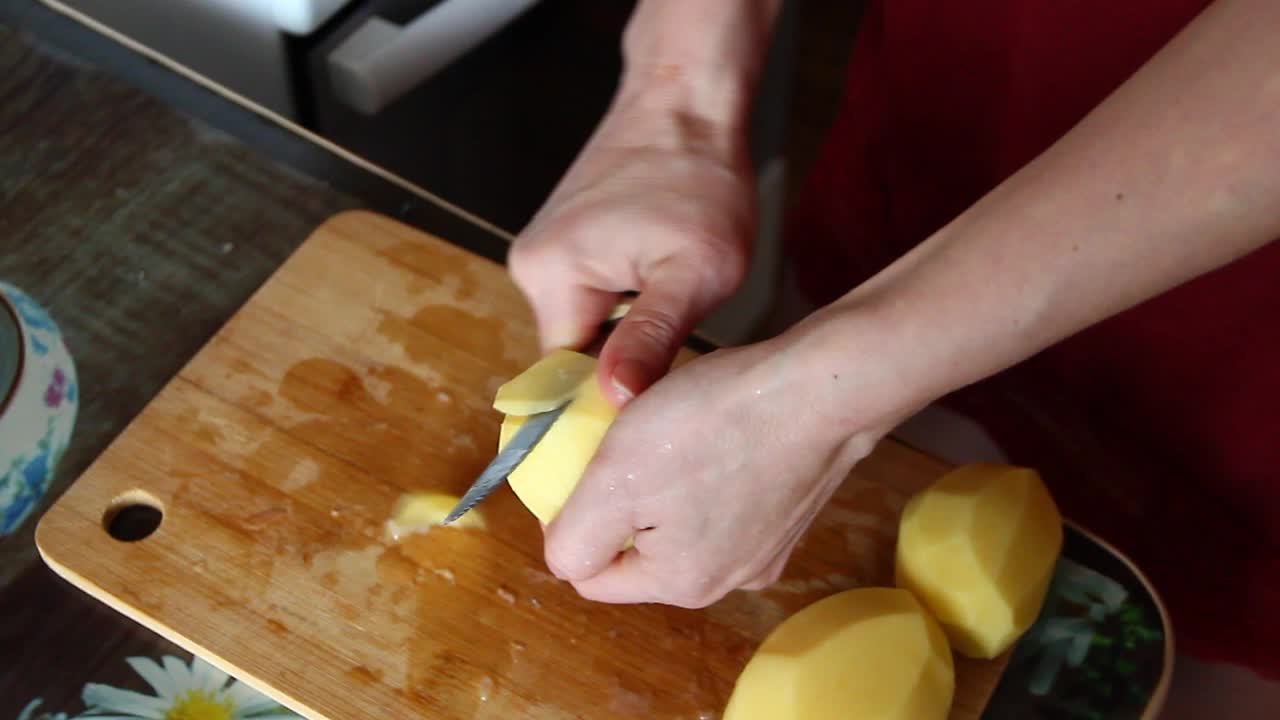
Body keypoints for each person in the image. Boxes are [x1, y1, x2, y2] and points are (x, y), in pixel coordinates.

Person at [506, 0, 1279, 680]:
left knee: (1165, 641)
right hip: (954, 117)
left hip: (1233, 307)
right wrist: (675, 104)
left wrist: (828, 392)